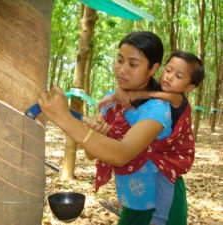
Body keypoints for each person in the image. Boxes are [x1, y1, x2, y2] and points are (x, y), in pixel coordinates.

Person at [38, 31, 190, 225]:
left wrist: (64, 118)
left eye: (133, 64)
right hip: (132, 204)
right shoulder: (114, 100)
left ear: (153, 68)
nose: (122, 70)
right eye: (119, 60)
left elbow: (121, 154)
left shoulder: (157, 109)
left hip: (162, 207)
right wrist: (99, 133)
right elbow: (93, 154)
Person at [97, 51, 205, 225]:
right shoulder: (152, 90)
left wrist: (132, 94)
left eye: (178, 76)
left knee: (165, 179)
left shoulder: (175, 98)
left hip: (169, 160)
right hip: (137, 190)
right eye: (168, 70)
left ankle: (159, 218)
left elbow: (149, 95)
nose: (169, 77)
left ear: (189, 87)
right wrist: (116, 93)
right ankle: (123, 203)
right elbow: (128, 91)